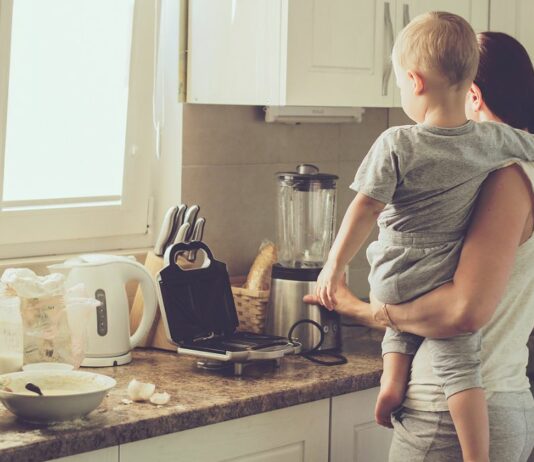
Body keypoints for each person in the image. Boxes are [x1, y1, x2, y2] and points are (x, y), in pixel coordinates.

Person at [314, 13, 534, 462]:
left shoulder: (505, 176)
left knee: (455, 359)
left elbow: (461, 312)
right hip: (507, 395)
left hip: (449, 410)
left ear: (473, 92)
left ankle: (393, 388)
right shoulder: (505, 153)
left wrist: (359, 298)